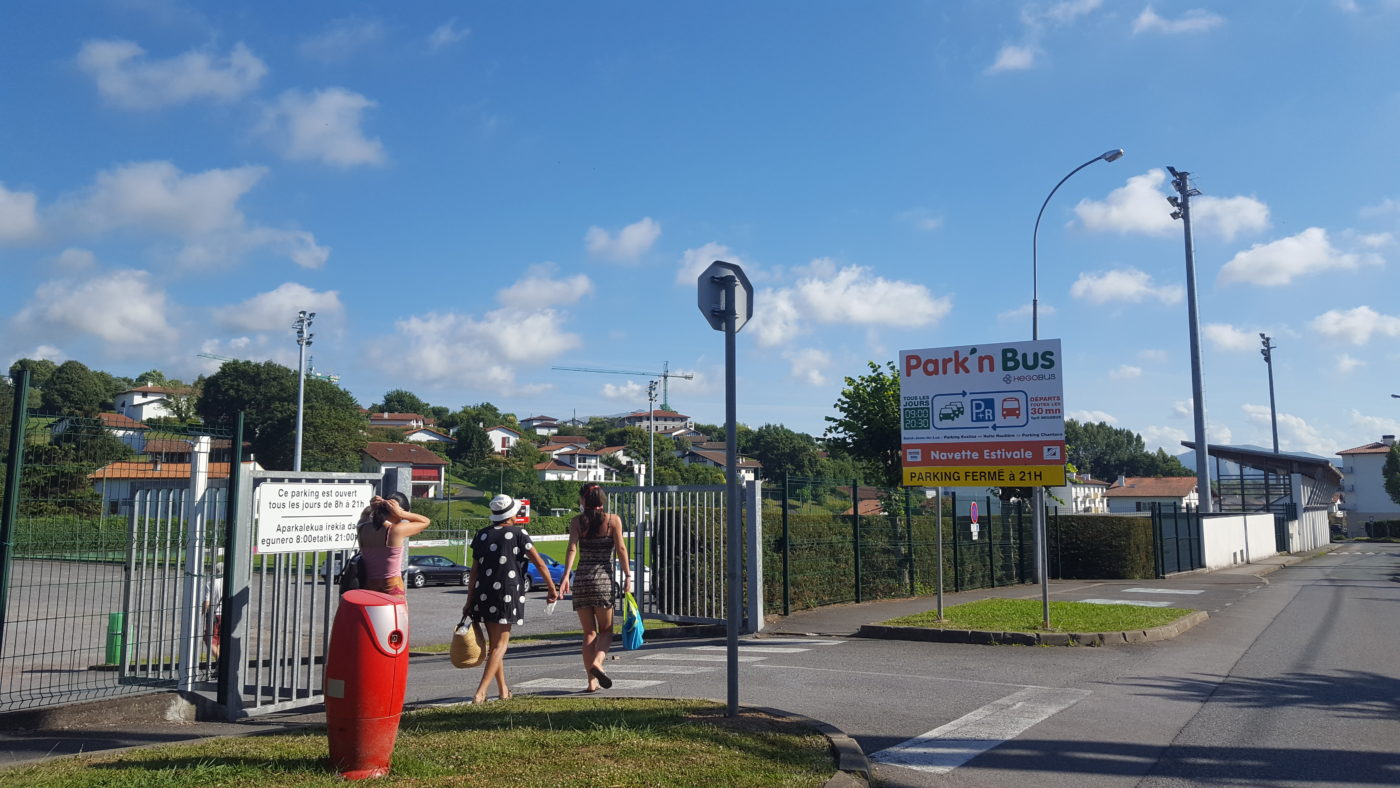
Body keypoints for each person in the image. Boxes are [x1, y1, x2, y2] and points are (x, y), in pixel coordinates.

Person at [463, 494, 559, 703]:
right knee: (500, 646)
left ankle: (503, 690)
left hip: (484, 593)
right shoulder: (518, 533)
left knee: (495, 645)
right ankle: (481, 692)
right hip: (507, 592)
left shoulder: (482, 535)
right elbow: (540, 563)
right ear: (511, 514)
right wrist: (551, 588)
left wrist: (469, 600)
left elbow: (474, 571)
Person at [558, 483, 631, 692]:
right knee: (606, 631)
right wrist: (627, 575)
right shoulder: (612, 521)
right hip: (603, 580)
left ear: (583, 500)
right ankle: (598, 662)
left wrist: (565, 577)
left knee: (589, 633)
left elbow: (572, 548)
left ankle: (591, 682)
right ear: (602, 500)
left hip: (582, 580)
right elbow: (621, 548)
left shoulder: (577, 522)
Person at [357, 492, 431, 597]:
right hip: (393, 588)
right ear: (396, 511)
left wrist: (374, 507)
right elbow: (425, 521)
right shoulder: (395, 530)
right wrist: (402, 513)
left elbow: (365, 514)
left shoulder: (362, 528)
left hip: (370, 588)